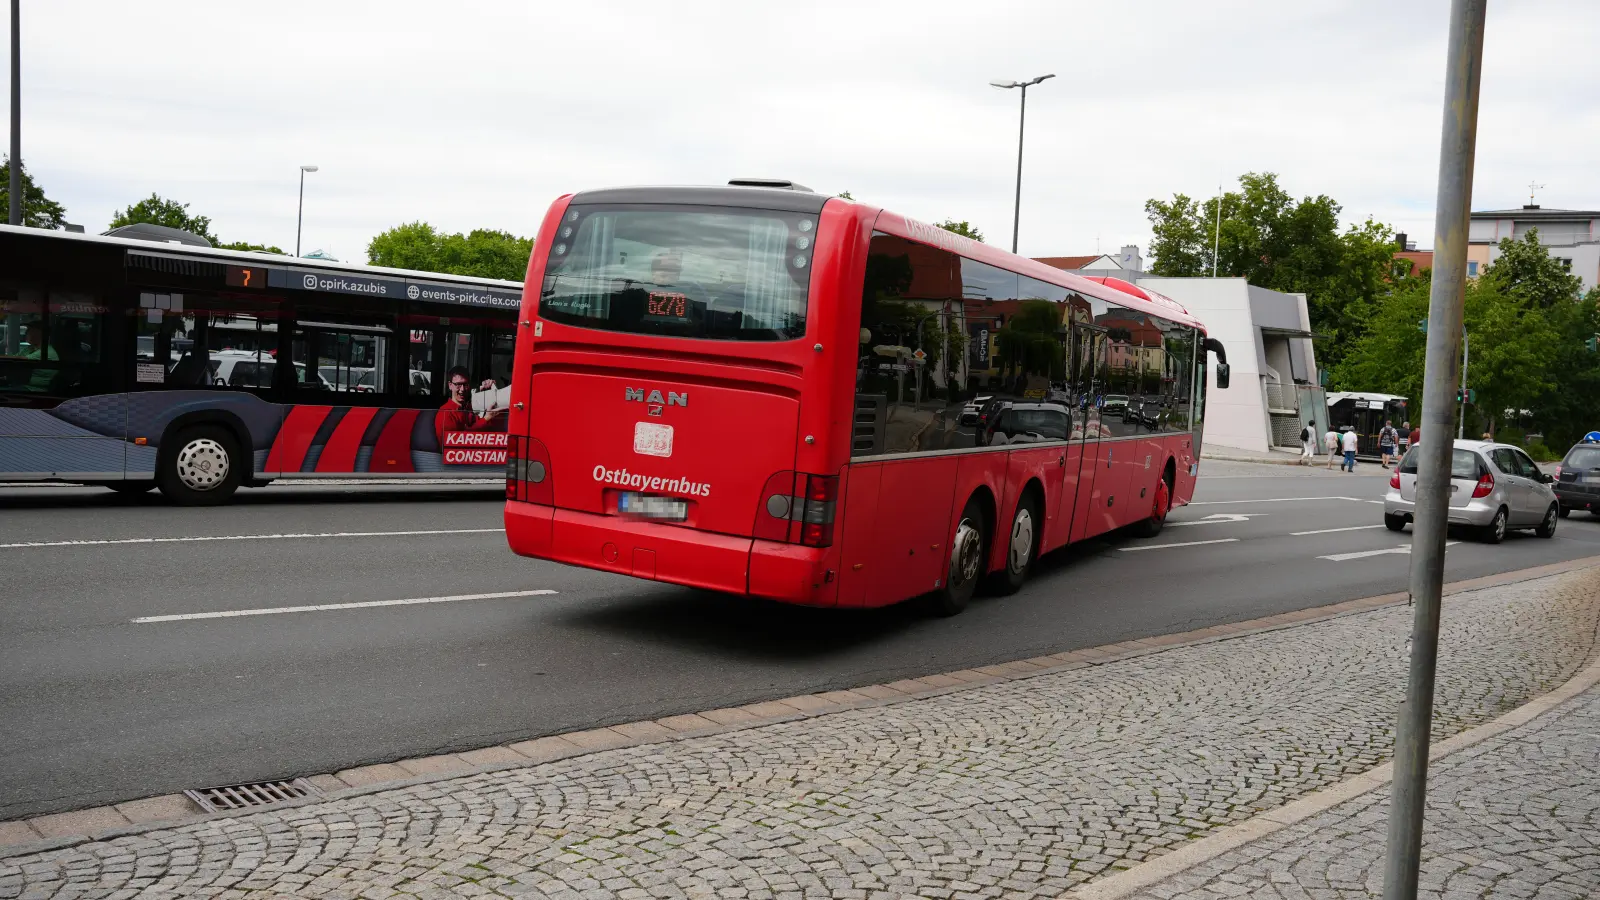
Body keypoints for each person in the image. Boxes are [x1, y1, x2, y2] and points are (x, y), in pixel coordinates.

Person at [435, 365, 502, 448]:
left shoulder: (467, 408)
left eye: (465, 384)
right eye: (458, 385)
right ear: (450, 385)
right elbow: (454, 445)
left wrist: (484, 393)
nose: (462, 389)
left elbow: (479, 424)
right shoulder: (446, 413)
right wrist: (486, 418)